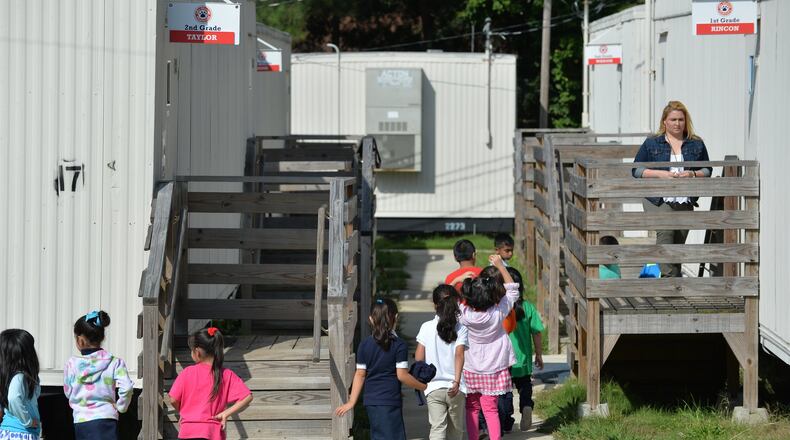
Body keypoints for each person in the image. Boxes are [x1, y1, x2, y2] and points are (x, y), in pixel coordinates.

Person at [632, 100, 712, 277]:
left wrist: (692, 175)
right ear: (664, 122)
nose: (677, 123)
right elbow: (636, 170)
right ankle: (669, 282)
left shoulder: (696, 143)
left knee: (678, 240)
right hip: (657, 197)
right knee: (666, 232)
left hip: (685, 197)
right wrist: (661, 174)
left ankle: (673, 282)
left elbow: (707, 170)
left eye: (681, 119)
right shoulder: (652, 143)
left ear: (686, 121)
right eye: (673, 119)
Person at [335, 298, 427, 440]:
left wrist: (352, 401)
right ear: (396, 317)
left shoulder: (364, 344)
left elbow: (360, 374)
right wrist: (422, 386)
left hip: (371, 401)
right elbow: (402, 375)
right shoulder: (399, 345)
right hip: (390, 399)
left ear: (371, 320)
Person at [458, 255, 519, 440]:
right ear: (492, 296)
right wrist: (500, 266)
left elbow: (455, 299)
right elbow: (512, 290)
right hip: (494, 368)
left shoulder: (463, 314)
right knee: (491, 409)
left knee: (472, 408)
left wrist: (459, 281)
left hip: (470, 367)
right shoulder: (499, 312)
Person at [169, 327, 253, 440]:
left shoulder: (187, 372)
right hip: (213, 433)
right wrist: (226, 413)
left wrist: (184, 412)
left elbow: (173, 399)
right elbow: (247, 396)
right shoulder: (226, 374)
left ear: (197, 352)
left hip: (188, 431)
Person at [64, 311, 134, 439]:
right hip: (106, 418)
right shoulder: (115, 362)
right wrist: (121, 406)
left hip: (81, 421)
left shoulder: (72, 364)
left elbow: (68, 391)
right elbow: (127, 387)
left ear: (80, 340)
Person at [415, 285, 468, 440]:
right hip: (455, 388)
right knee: (456, 430)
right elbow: (459, 355)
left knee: (437, 428)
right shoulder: (461, 328)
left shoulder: (426, 327)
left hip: (433, 387)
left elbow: (418, 358)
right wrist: (457, 381)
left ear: (435, 304)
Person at [505, 267, 544, 432]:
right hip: (523, 357)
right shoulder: (528, 307)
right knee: (525, 385)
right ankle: (526, 405)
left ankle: (506, 419)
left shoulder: (501, 308)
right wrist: (539, 355)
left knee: (505, 390)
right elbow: (537, 332)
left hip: (503, 358)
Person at [0, 329, 41, 440]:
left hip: (11, 432)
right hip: (21, 433)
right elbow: (13, 398)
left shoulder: (10, 377)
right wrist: (28, 421)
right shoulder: (20, 377)